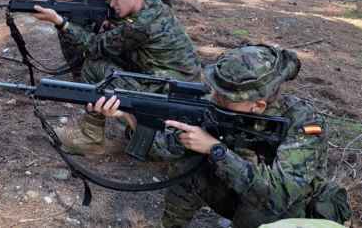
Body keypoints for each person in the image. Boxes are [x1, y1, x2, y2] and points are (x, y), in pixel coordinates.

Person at [87, 44, 352, 228]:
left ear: (257, 105)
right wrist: (131, 118)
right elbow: (168, 149)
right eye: (215, 90)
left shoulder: (303, 123)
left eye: (225, 97)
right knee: (187, 165)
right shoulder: (216, 107)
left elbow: (278, 195)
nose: (214, 97)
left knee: (258, 209)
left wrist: (215, 149)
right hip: (242, 191)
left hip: (292, 211)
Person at [31, 0, 201, 155]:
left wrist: (60, 22)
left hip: (167, 93)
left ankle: (91, 138)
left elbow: (94, 46)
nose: (111, 4)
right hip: (178, 86)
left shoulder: (140, 25)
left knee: (94, 65)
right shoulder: (153, 5)